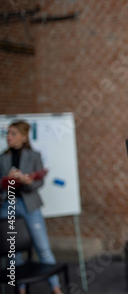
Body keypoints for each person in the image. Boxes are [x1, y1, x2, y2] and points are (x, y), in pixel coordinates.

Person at [0, 120, 64, 294]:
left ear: (23, 136)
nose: (9, 137)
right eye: (8, 134)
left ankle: (55, 288)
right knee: (13, 253)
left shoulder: (34, 155)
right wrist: (8, 180)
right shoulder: (2, 158)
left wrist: (27, 182)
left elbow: (39, 181)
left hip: (30, 205)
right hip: (8, 206)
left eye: (13, 134)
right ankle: (19, 290)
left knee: (43, 247)